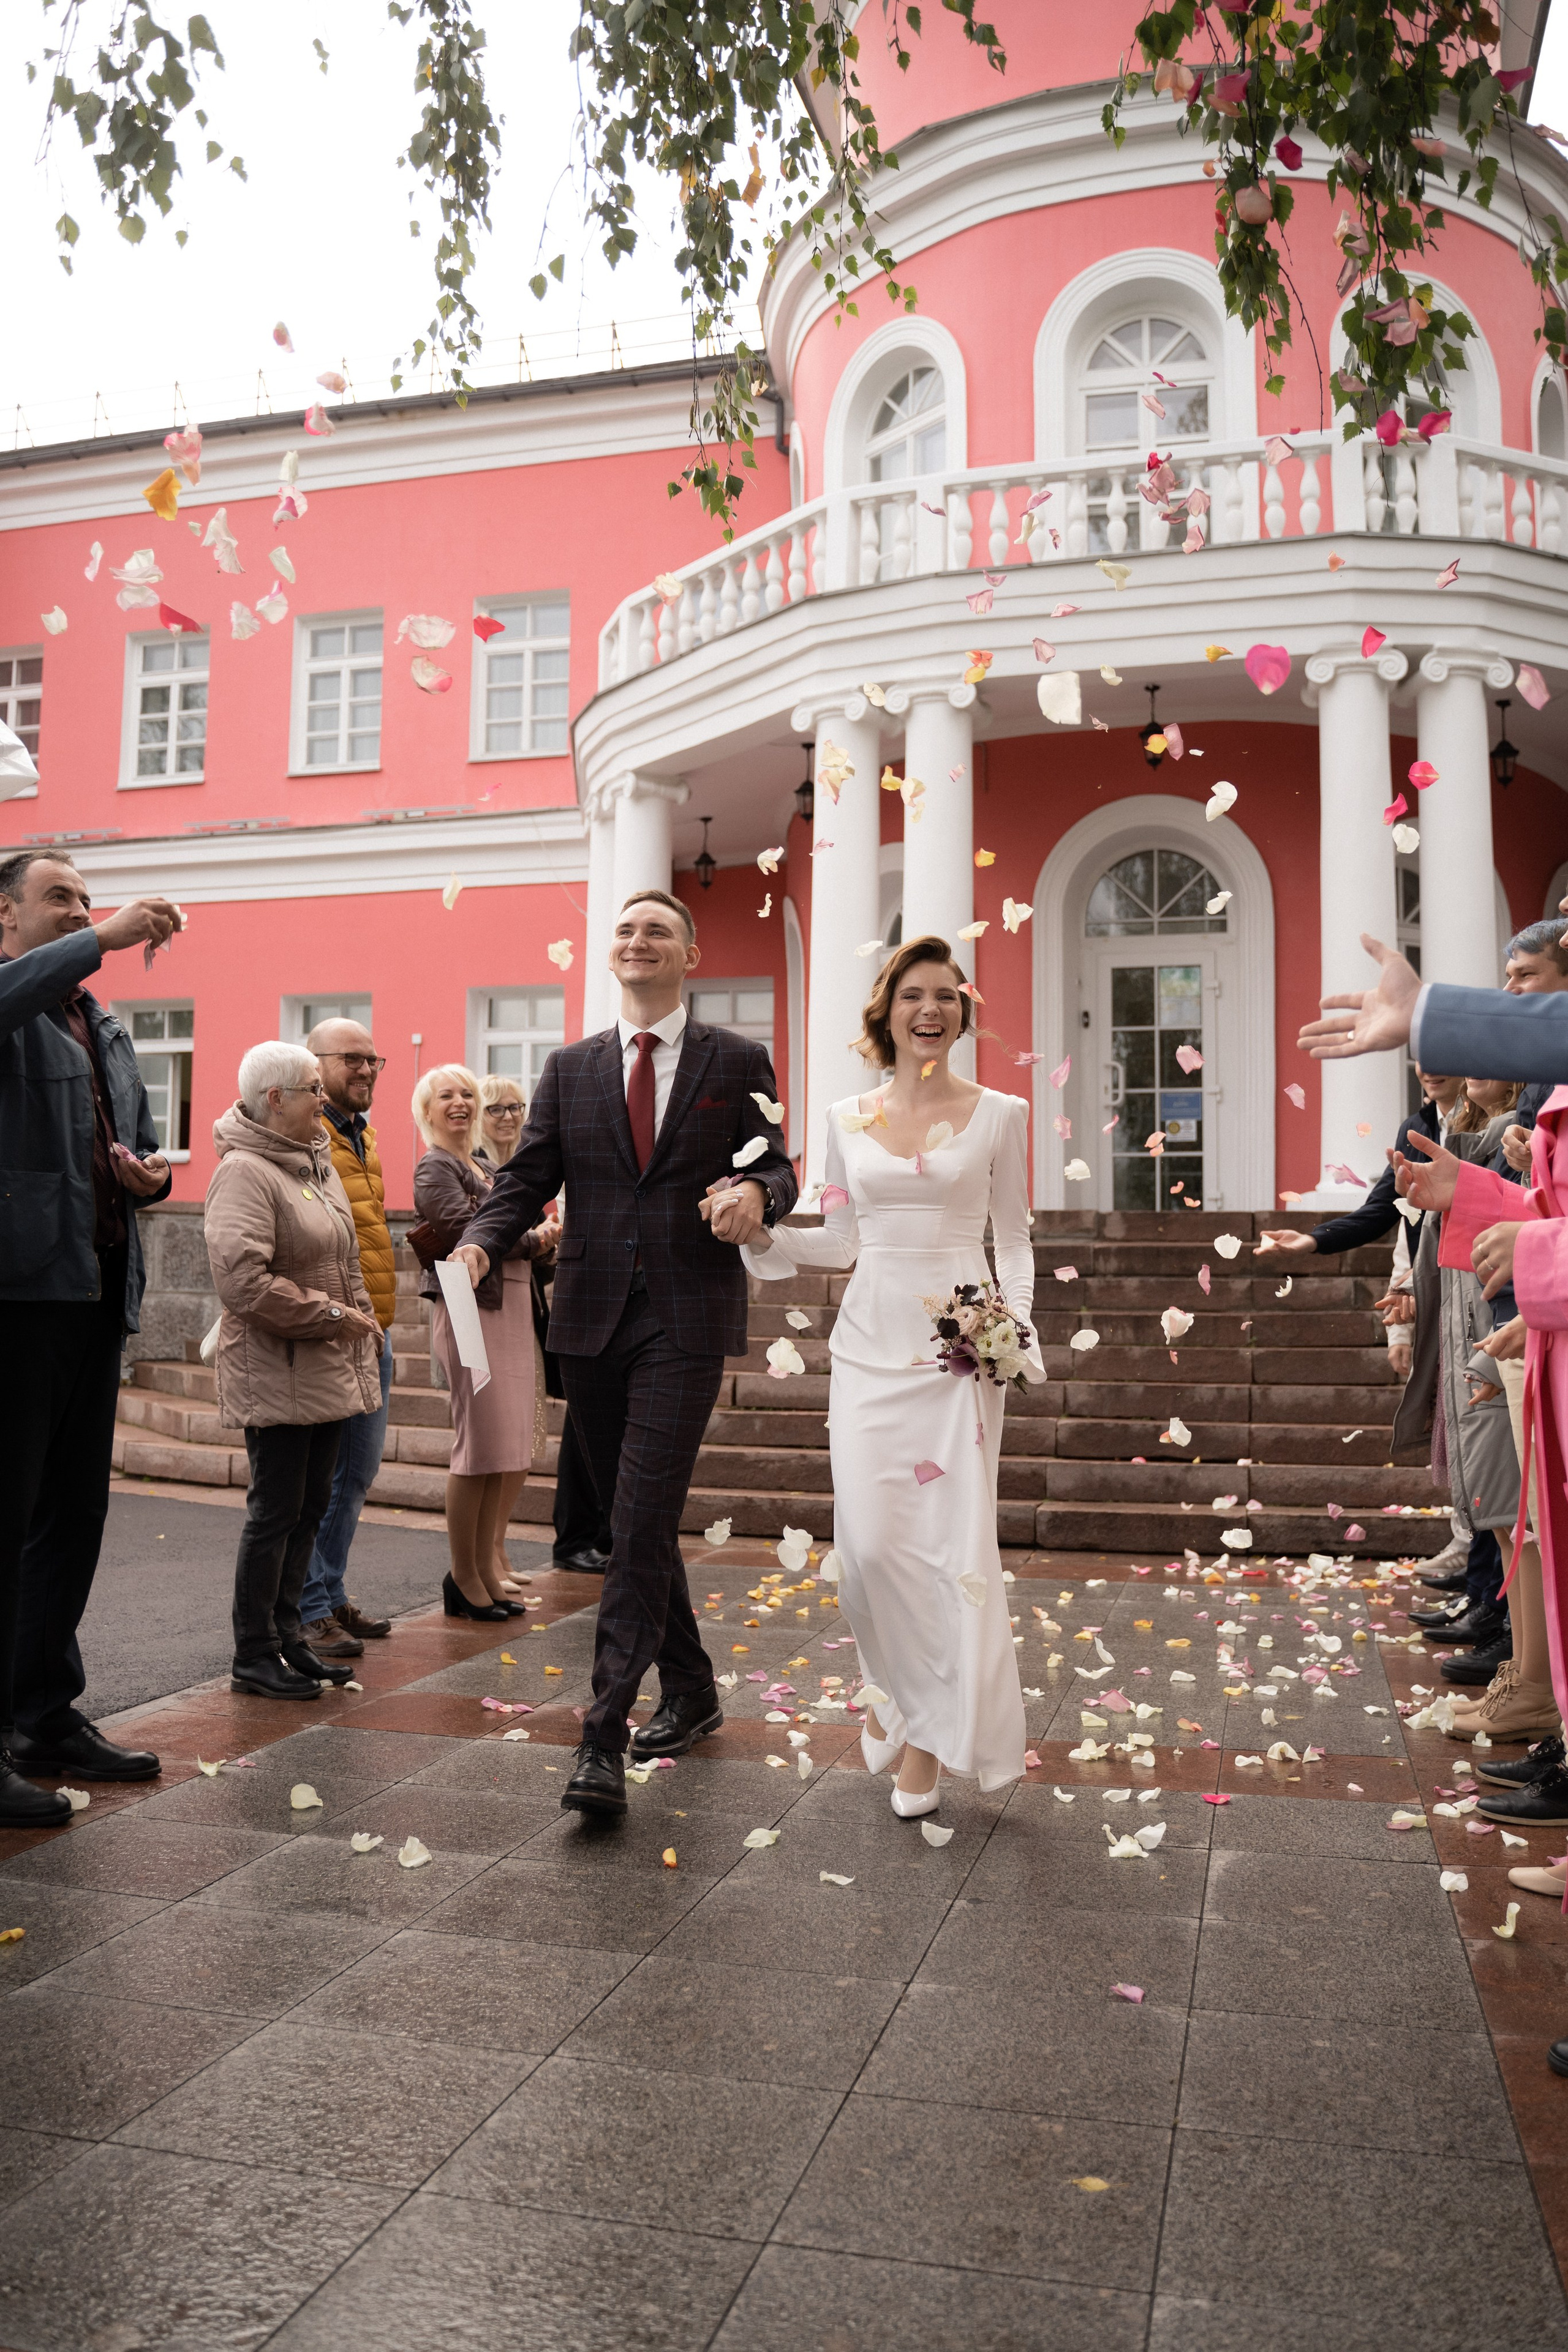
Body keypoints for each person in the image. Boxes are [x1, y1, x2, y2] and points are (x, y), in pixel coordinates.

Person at [451, 890, 797, 1817]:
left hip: (685, 1318)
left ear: (692, 951)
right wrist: (482, 1239)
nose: (638, 941)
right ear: (613, 956)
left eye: (657, 930)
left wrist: (758, 1196)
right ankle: (690, 1686)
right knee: (634, 1518)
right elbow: (526, 1178)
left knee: (636, 1524)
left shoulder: (736, 1059)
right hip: (591, 1322)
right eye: (626, 931)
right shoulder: (570, 1069)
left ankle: (602, 1738)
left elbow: (777, 1163)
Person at [729, 935, 1041, 1814]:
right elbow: (839, 1239)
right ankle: (900, 1700)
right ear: (887, 1009)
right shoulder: (844, 1118)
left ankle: (931, 1745)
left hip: (959, 1357)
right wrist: (764, 1238)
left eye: (945, 995)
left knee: (950, 1555)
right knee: (865, 1554)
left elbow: (1012, 1239)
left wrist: (1012, 1331)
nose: (930, 1010)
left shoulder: (1002, 1113)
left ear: (963, 1012)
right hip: (868, 1350)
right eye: (913, 995)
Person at [0, 851, 183, 1825]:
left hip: (94, 1288)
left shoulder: (102, 1023)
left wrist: (149, 1177)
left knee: (71, 1520)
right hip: (18, 1297)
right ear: (7, 918)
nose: (82, 911)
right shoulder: (20, 997)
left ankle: (45, 1714)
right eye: (58, 898)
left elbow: (138, 1143)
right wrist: (95, 943)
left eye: (86, 897)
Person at [205, 1043, 384, 1701]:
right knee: (275, 1512)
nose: (325, 1098)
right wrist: (335, 1314)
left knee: (309, 1508)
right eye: (314, 1088)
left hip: (326, 1364)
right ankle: (253, 1654)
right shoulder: (245, 1172)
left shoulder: (316, 1163)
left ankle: (289, 1641)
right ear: (275, 1099)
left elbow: (346, 1260)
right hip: (277, 1369)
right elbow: (245, 1284)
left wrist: (358, 1320)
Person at [413, 1065, 557, 1623]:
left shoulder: (484, 1164)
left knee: (503, 1448)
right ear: (426, 1110)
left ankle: (486, 1569)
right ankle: (464, 1575)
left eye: (467, 1094)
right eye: (445, 1095)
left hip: (511, 1304)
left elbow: (509, 1227)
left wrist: (537, 1242)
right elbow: (462, 1228)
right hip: (471, 1309)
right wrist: (535, 1237)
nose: (460, 1103)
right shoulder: (434, 1166)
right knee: (477, 1448)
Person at [478, 1074, 611, 1579]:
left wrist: (547, 1248)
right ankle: (557, 1541)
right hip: (499, 1312)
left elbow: (534, 1261)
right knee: (510, 1440)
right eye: (497, 1109)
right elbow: (482, 1235)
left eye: (517, 1107)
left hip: (534, 1306)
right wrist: (537, 1242)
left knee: (539, 1434)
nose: (510, 1116)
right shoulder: (482, 1169)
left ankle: (506, 1553)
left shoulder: (526, 1163)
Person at [298, 1017, 398, 1660]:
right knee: (320, 1478)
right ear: (314, 1066)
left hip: (375, 1329)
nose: (365, 1071)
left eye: (373, 1060)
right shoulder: (306, 1135)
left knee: (357, 1473)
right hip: (332, 1329)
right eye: (351, 1060)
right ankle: (308, 1607)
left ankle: (329, 1591)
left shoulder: (363, 1136)